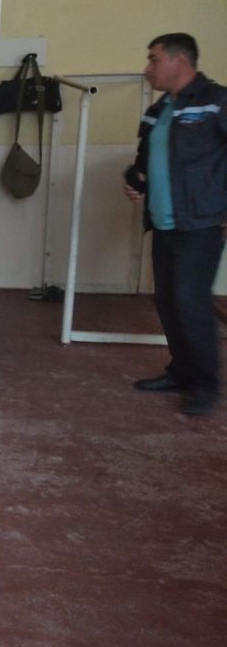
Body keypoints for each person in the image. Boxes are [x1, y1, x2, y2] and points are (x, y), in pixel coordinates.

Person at [123, 33, 227, 415]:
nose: (147, 68)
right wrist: (135, 181)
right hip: (164, 222)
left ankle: (204, 385)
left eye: (153, 60)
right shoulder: (158, 110)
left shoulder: (216, 102)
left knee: (190, 300)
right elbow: (145, 160)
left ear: (179, 61)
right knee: (167, 300)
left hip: (200, 222)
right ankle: (181, 372)